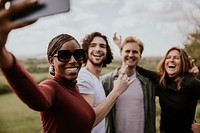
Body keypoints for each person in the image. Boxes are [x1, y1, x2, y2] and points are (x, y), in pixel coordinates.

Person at [0, 1, 133, 133]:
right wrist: (3, 55)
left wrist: (123, 51)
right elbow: (37, 100)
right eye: (64, 55)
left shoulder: (74, 88)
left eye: (78, 54)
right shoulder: (53, 87)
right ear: (51, 60)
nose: (73, 60)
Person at [136, 47, 200, 133]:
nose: (171, 60)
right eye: (168, 57)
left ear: (183, 63)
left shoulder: (191, 82)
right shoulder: (160, 79)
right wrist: (122, 49)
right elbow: (137, 68)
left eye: (176, 58)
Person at [101, 34, 156, 133]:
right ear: (120, 52)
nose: (131, 55)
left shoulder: (148, 84)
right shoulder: (106, 81)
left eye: (135, 52)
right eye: (127, 51)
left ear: (140, 56)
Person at [77, 32, 113, 133]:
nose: (98, 49)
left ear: (107, 52)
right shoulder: (83, 77)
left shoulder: (96, 79)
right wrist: (116, 92)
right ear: (86, 50)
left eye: (102, 46)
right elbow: (88, 121)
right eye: (93, 45)